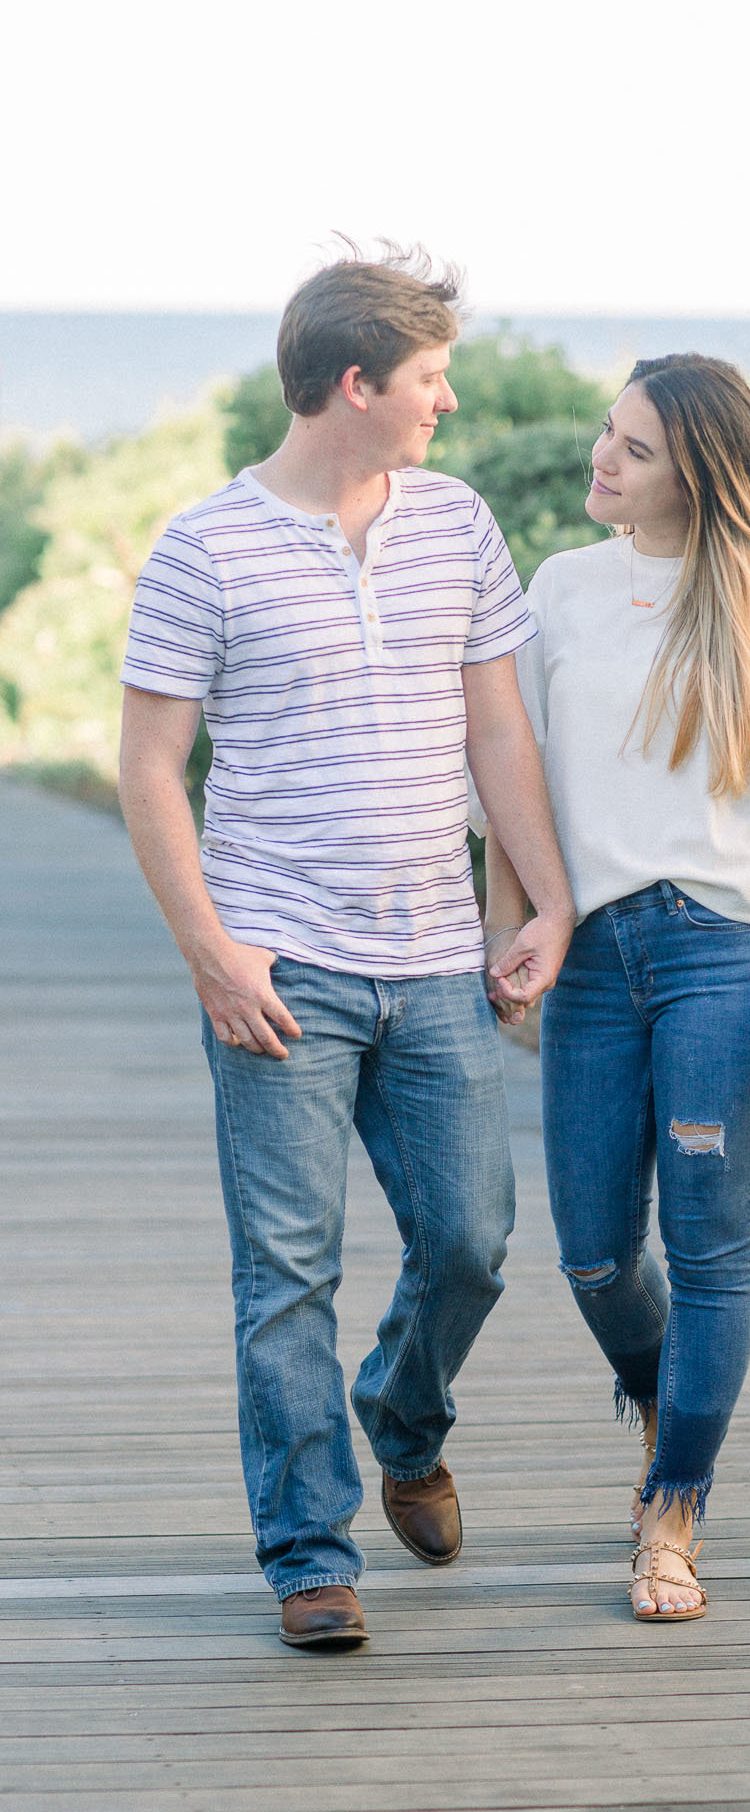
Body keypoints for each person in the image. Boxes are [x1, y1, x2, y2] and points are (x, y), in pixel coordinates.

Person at [118, 247, 574, 1651]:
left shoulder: (456, 524)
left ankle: (402, 1412)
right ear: (356, 385)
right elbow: (147, 768)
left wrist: (542, 902)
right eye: (428, 379)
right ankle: (310, 1554)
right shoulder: (206, 547)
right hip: (279, 968)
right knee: (287, 1272)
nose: (447, 401)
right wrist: (211, 952)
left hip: (436, 953)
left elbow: (497, 727)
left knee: (473, 1241)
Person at [483, 354, 750, 1621]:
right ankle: (677, 1400)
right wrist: (512, 936)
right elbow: (514, 781)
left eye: (635, 449)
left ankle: (672, 1508)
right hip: (596, 954)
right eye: (609, 435)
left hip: (731, 951)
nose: (602, 460)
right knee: (597, 1254)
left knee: (708, 1249)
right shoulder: (558, 590)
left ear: (697, 474)